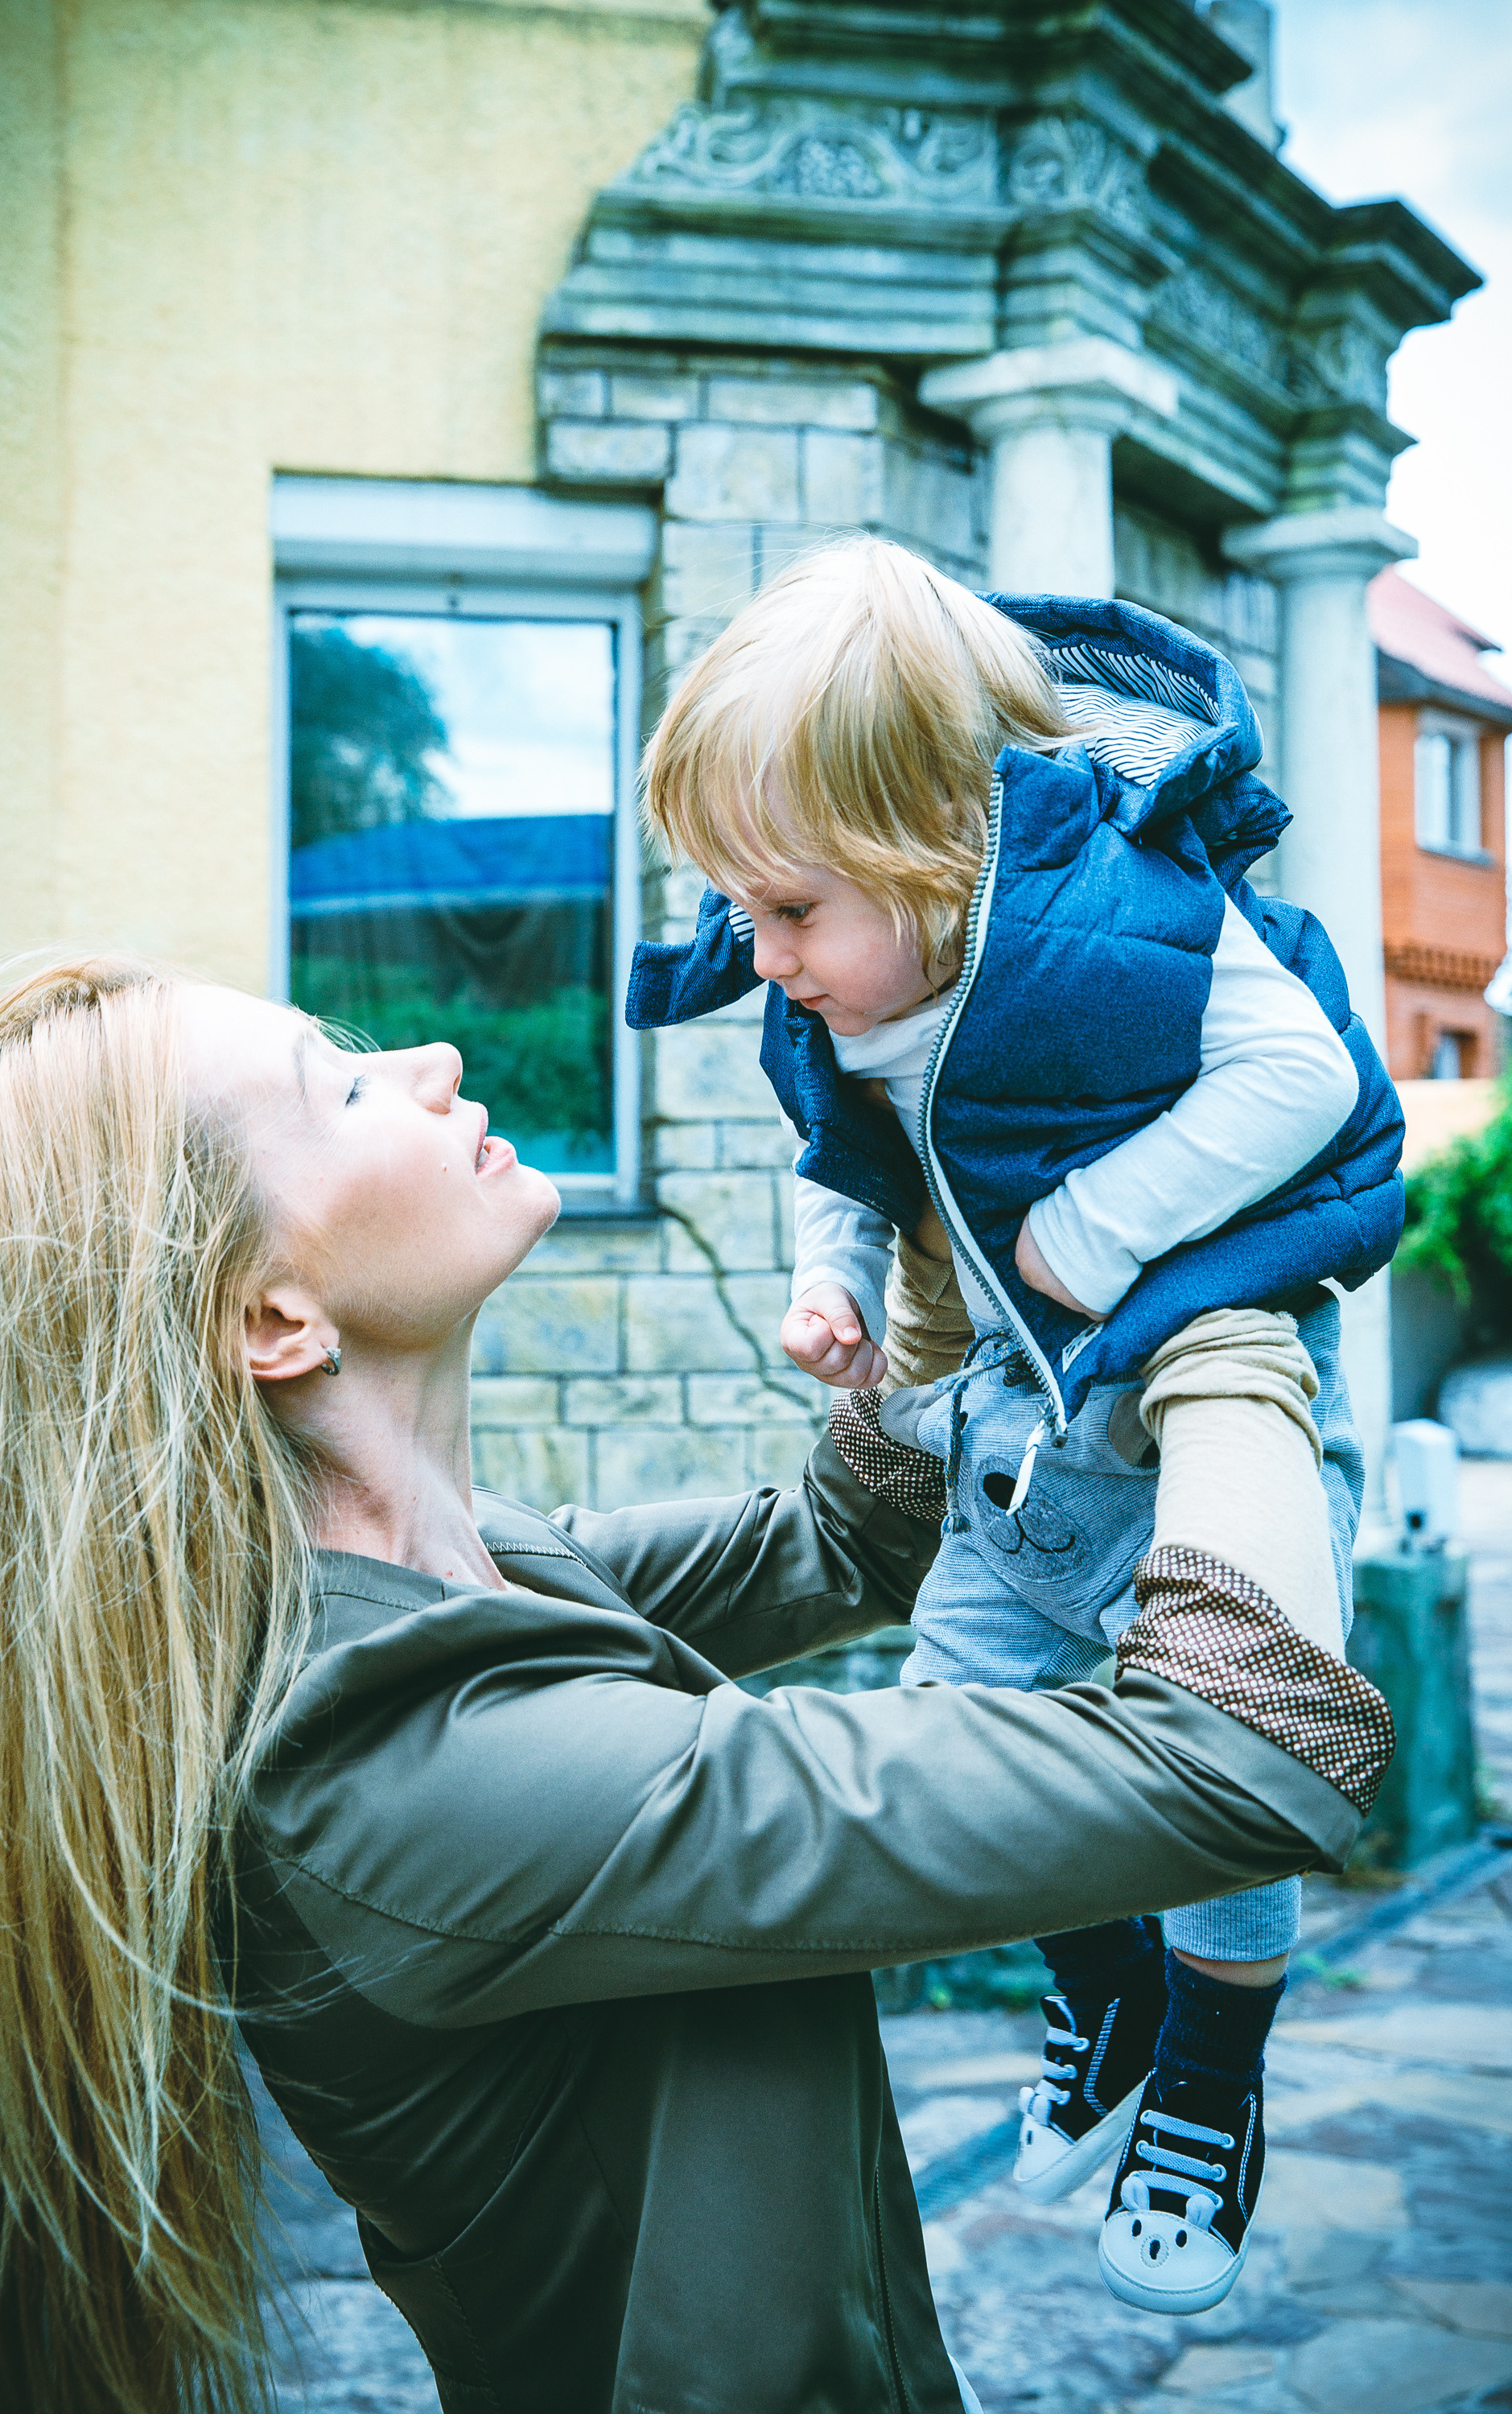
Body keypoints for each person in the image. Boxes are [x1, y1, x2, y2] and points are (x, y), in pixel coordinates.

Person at [0, 956, 1393, 2413]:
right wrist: (1230, 1311)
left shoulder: (481, 1571)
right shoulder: (395, 1766)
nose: (427, 1065)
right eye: (343, 1085)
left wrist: (942, 1182)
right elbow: (1230, 1750)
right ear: (274, 1322)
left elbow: (859, 1535)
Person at [628, 538, 1404, 2312]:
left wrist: (1097, 1225)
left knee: (1223, 1746)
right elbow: (843, 1143)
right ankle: (1107, 1975)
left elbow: (1310, 1078)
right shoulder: (843, 969)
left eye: (794, 913)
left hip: (1206, 1404)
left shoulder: (1113, 924)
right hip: (1021, 1431)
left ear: (931, 842)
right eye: (743, 912)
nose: (766, 956)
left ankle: (1209, 2075)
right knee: (948, 1736)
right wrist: (828, 1267)